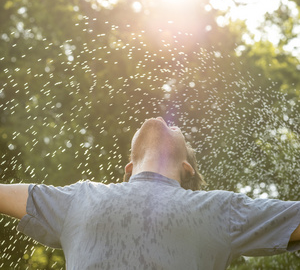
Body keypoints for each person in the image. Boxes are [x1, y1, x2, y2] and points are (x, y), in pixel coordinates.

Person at [1, 117, 300, 270]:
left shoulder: (218, 210)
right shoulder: (79, 197)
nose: (167, 120)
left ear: (187, 169)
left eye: (175, 127)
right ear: (128, 168)